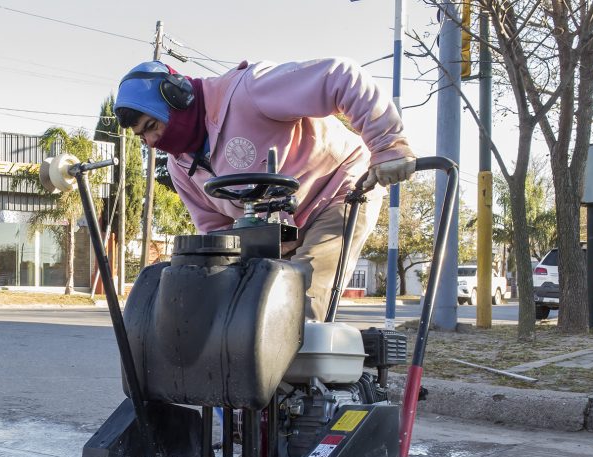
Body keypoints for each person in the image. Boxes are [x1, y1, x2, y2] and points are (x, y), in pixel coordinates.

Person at [115, 58, 416, 319]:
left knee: (301, 302)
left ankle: (312, 383)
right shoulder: (180, 166)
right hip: (276, 231)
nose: (152, 141)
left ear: (178, 98)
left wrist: (388, 146)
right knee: (240, 310)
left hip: (340, 189)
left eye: (152, 125)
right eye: (143, 136)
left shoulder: (249, 90)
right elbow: (216, 229)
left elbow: (342, 76)